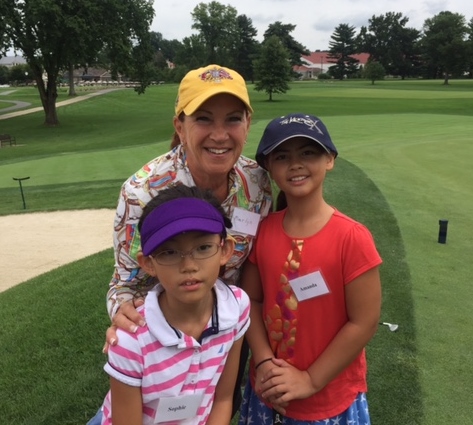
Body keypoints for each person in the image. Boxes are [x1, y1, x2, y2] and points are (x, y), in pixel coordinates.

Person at [87, 64, 272, 424]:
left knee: (218, 405)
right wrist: (125, 317)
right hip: (160, 339)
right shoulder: (141, 192)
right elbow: (124, 282)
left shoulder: (258, 182)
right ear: (179, 126)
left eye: (233, 119)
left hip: (226, 330)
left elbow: (255, 263)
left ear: (248, 124)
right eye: (203, 119)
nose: (220, 135)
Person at [238, 113, 382, 425]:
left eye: (308, 153)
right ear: (268, 167)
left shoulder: (351, 237)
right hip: (268, 388)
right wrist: (263, 362)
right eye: (282, 156)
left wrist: (310, 379)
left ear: (329, 159)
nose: (296, 164)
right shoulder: (264, 230)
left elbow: (364, 322)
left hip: (327, 397)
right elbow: (251, 301)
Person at [99, 185, 250, 425]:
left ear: (225, 250)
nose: (189, 266)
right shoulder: (130, 341)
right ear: (148, 263)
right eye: (169, 252)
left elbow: (222, 399)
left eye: (203, 247)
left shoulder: (237, 307)